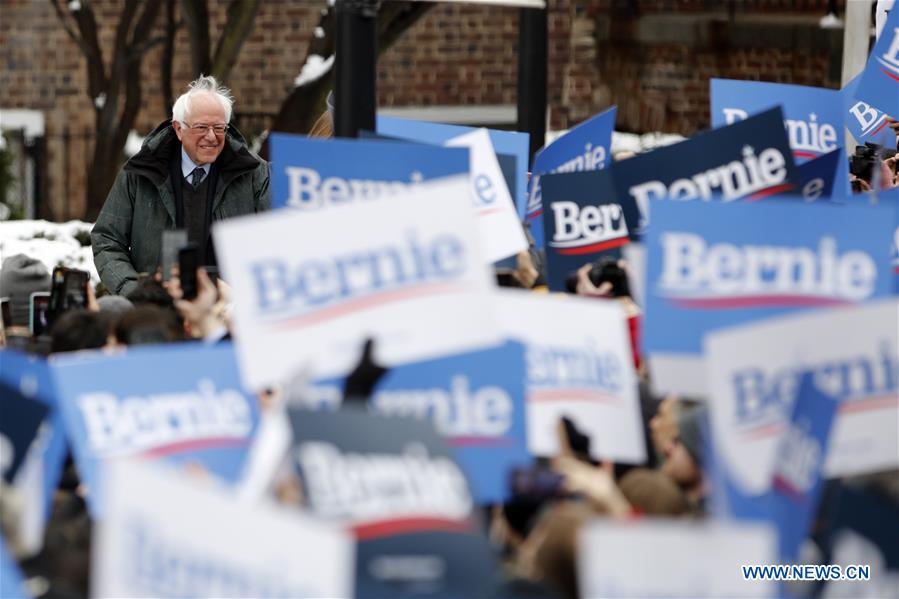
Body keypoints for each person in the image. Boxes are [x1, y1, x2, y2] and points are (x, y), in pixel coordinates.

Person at [91, 75, 270, 296]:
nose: (212, 137)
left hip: (230, 311)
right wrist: (134, 292)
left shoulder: (255, 175)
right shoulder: (140, 173)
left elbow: (277, 239)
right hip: (159, 313)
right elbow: (107, 239)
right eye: (202, 127)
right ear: (178, 129)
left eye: (219, 127)